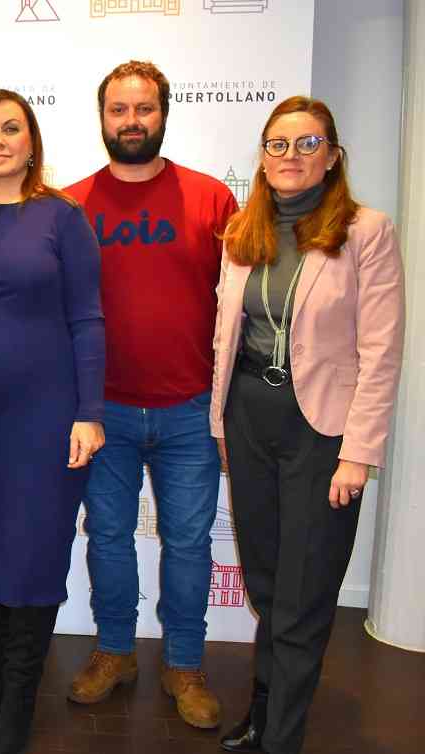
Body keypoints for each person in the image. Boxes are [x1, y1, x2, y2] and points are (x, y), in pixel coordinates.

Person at [211, 97, 405, 754]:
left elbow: (381, 350)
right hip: (247, 421)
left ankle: (281, 739)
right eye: (278, 144)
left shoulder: (365, 231)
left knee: (303, 593)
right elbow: (226, 336)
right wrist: (220, 426)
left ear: (332, 156)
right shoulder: (243, 232)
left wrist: (359, 452)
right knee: (267, 585)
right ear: (263, 159)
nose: (290, 155)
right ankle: (264, 713)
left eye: (307, 143)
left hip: (322, 435)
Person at [63, 60, 238, 729]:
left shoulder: (212, 200)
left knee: (189, 543)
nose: (131, 121)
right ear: (102, 117)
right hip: (100, 410)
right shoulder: (71, 206)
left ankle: (184, 663)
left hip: (190, 409)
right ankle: (115, 652)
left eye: (144, 108)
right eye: (119, 109)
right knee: (108, 536)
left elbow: (241, 309)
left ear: (163, 114)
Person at [0, 89, 105, 754]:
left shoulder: (62, 217)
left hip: (44, 416)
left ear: (31, 143)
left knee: (31, 549)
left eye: (11, 129)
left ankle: (20, 699)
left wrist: (89, 412)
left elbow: (87, 318)